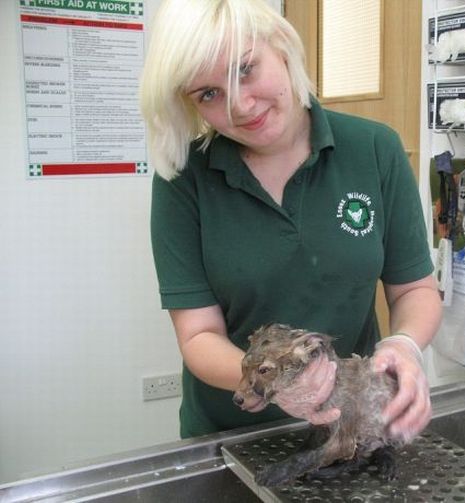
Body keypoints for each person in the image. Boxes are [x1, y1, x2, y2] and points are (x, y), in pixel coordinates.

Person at [140, 0, 442, 443]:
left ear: (280, 46)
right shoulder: (184, 180)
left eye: (245, 69)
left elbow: (415, 288)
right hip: (231, 435)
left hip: (351, 424)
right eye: (208, 94)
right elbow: (199, 335)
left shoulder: (375, 149)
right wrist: (275, 384)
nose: (240, 106)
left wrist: (404, 345)